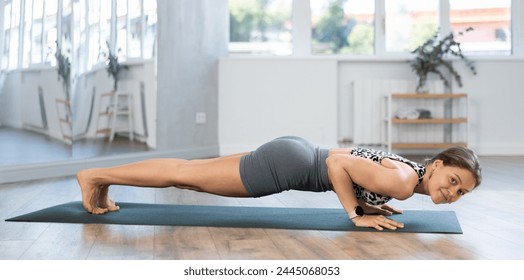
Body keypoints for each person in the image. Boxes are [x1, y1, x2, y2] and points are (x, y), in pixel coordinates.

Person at [76, 136, 482, 231]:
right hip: (290, 167)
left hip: (293, 154)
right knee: (186, 175)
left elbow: (360, 167)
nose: (452, 193)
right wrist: (355, 213)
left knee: (189, 173)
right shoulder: (405, 181)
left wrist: (370, 202)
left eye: (461, 191)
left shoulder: (408, 177)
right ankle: (93, 175)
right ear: (439, 164)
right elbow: (340, 164)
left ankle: (104, 182)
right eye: (452, 180)